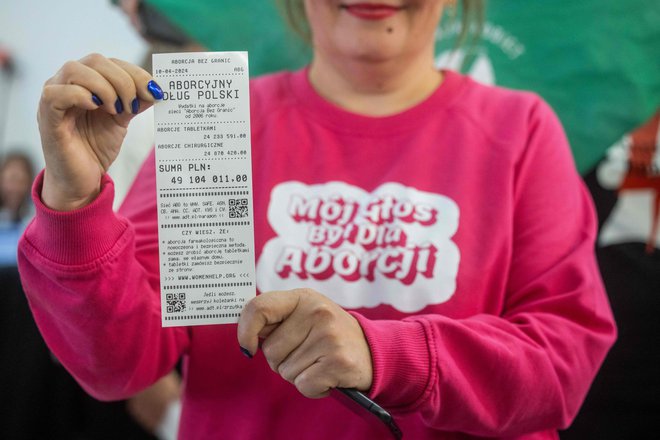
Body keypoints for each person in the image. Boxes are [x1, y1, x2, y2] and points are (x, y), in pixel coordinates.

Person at [18, 0, 616, 438]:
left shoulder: (521, 128)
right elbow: (118, 362)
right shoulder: (221, 122)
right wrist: (75, 205)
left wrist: (386, 355)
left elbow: (561, 365)